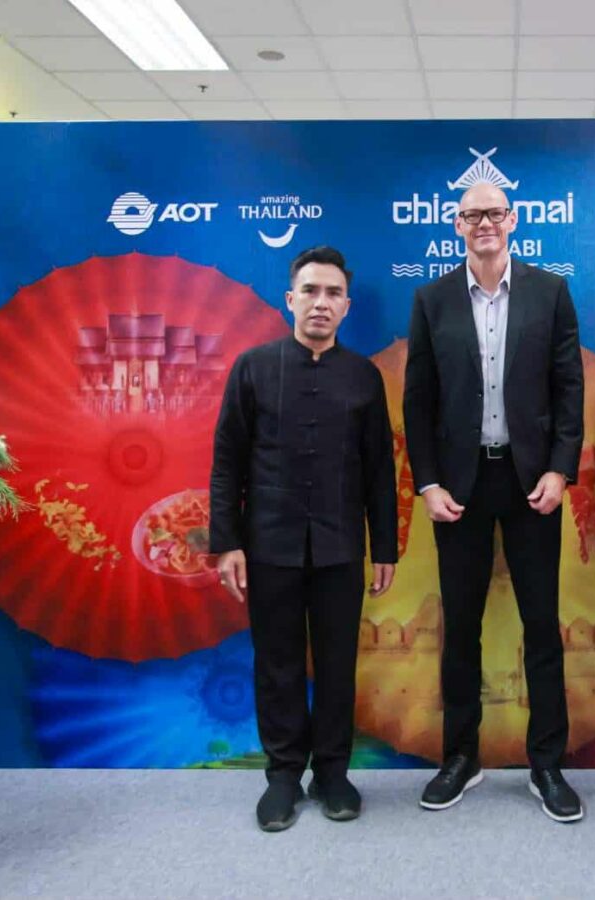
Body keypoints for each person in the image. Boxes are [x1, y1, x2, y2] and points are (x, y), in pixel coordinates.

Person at [403, 181, 586, 822]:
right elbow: (418, 400)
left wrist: (561, 470)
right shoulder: (431, 299)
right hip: (459, 485)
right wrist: (428, 482)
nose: (484, 222)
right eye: (472, 214)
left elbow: (569, 388)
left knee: (541, 624)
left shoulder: (549, 292)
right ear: (456, 225)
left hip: (531, 481)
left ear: (512, 220)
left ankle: (547, 765)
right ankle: (461, 757)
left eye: (494, 212)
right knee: (461, 627)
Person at [209, 246, 397, 832]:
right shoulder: (254, 368)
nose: (321, 303)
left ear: (347, 306)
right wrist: (227, 541)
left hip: (341, 545)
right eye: (310, 291)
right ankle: (284, 776)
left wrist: (384, 546)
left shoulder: (363, 376)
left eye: (333, 293)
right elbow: (227, 463)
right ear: (290, 299)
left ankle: (333, 772)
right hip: (270, 544)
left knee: (338, 664)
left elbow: (379, 470)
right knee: (278, 663)